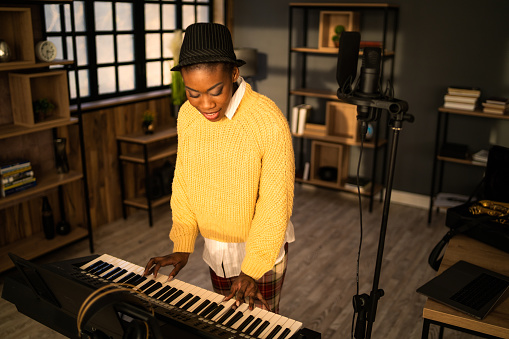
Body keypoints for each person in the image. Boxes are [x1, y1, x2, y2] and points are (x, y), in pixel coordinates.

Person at [143, 22, 295, 314]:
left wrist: (252, 269)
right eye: (193, 92)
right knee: (226, 326)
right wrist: (183, 242)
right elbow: (185, 180)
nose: (205, 104)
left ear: (234, 73)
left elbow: (275, 203)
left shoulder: (267, 119)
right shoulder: (187, 115)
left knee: (261, 328)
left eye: (215, 91)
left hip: (262, 254)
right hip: (216, 252)